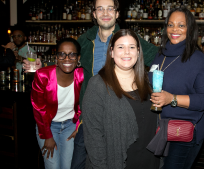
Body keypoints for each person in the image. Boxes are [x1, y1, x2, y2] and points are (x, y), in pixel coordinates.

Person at [23, 0, 158, 168]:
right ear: (94, 14)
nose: (105, 12)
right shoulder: (85, 41)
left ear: (117, 13)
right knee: (80, 163)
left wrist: (159, 89)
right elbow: (68, 60)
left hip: (121, 114)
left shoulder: (127, 39)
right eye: (100, 9)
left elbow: (158, 58)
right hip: (89, 117)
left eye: (110, 8)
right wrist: (42, 67)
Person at [82, 29, 160, 169]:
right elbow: (93, 137)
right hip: (116, 163)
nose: (127, 52)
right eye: (120, 47)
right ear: (111, 52)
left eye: (131, 47)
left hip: (149, 161)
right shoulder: (98, 85)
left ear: (138, 52)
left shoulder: (149, 82)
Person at [148, 7, 204, 169]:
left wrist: (172, 99)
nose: (174, 29)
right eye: (170, 25)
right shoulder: (160, 55)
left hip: (184, 132)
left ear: (190, 29)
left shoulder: (199, 60)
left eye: (181, 25)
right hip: (159, 128)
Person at [31, 38, 84, 169]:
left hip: (70, 126)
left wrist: (79, 126)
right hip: (47, 126)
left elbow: (86, 103)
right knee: (52, 166)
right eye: (62, 54)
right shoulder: (42, 75)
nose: (67, 58)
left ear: (78, 58)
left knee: (67, 166)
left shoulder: (82, 75)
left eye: (72, 54)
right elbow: (38, 109)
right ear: (56, 57)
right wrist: (47, 136)